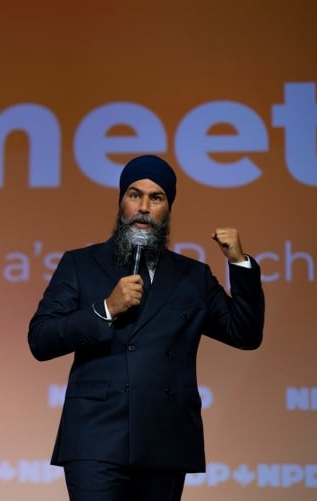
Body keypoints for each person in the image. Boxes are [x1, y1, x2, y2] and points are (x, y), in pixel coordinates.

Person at [28, 154, 265, 501]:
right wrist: (107, 308)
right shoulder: (81, 264)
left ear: (167, 209)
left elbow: (245, 334)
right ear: (121, 202)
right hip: (95, 437)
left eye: (156, 198)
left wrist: (239, 263)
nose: (143, 207)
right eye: (134, 195)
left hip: (164, 439)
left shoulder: (192, 276)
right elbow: (41, 339)